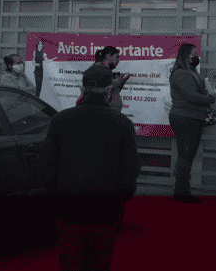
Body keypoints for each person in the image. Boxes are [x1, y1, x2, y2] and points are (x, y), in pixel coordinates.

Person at [38, 65, 141, 271]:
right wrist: (119, 196)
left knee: (70, 262)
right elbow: (130, 168)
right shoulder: (122, 124)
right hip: (105, 210)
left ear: (82, 89)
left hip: (68, 208)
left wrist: (58, 192)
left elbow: (46, 164)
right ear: (109, 91)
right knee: (99, 262)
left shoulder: (60, 120)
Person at [168, 43, 215, 203]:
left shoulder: (188, 72)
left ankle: (182, 190)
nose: (196, 57)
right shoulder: (182, 73)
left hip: (189, 116)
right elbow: (191, 96)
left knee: (186, 154)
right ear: (185, 56)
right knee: (186, 155)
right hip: (186, 117)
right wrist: (210, 99)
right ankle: (181, 191)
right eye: (194, 54)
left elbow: (193, 94)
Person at [81, 46, 130, 113]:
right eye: (116, 57)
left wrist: (120, 83)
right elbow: (97, 95)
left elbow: (110, 92)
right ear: (108, 56)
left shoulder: (106, 71)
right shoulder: (97, 70)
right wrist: (115, 83)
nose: (118, 60)